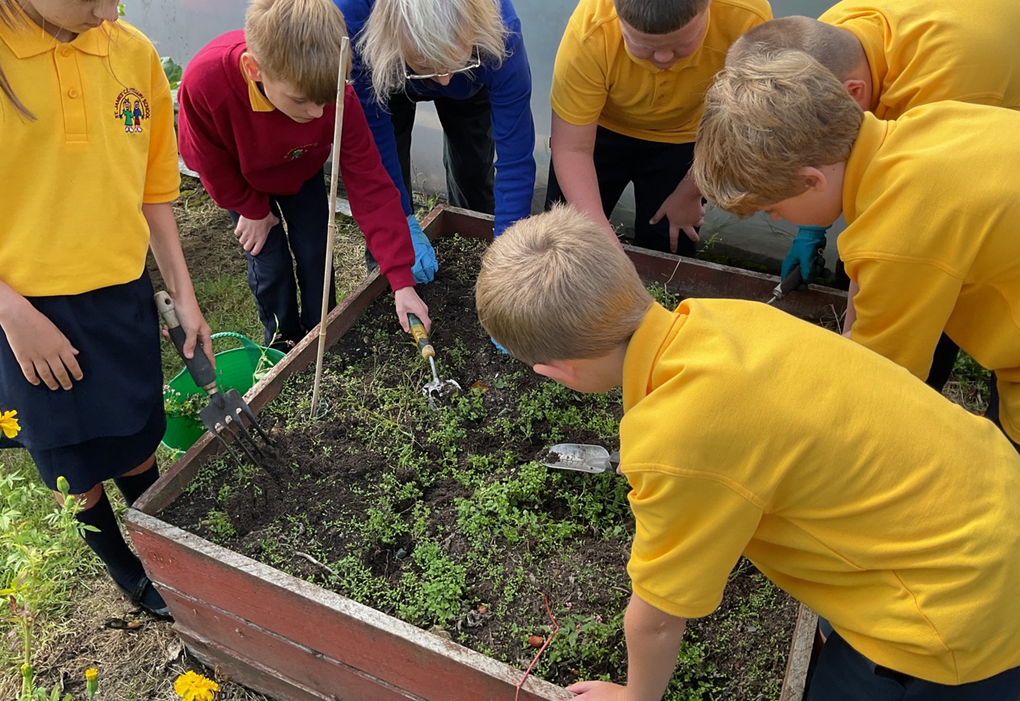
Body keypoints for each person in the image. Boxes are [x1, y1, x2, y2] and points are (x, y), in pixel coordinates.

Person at [475, 205, 1020, 701]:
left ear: (557, 372)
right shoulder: (728, 319)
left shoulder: (674, 437)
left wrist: (635, 699)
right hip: (996, 495)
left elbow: (657, 620)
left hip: (962, 613)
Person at [0, 0, 214, 618]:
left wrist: (184, 292)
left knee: (135, 433)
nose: (110, 8)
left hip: (118, 293)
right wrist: (14, 314)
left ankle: (166, 546)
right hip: (25, 313)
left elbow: (153, 193)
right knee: (70, 466)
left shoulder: (132, 54)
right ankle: (124, 566)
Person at [692, 48, 1020, 451]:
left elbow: (882, 381)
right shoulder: (925, 123)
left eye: (773, 208)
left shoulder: (900, 232)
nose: (778, 220)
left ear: (813, 181)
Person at [177, 0, 431, 352]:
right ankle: (281, 348)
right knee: (271, 262)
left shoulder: (338, 95)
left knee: (315, 251)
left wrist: (401, 280)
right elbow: (205, 158)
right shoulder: (206, 81)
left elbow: (370, 185)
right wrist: (250, 209)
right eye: (301, 101)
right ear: (254, 69)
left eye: (325, 102)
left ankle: (319, 336)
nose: (315, 113)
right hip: (242, 181)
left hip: (301, 172)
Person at [730, 1, 1020, 287]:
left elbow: (911, 218)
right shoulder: (827, 37)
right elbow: (819, 148)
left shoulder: (938, 93)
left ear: (854, 92)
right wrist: (810, 227)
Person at [545, 0, 771, 255]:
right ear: (619, 19)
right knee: (569, 236)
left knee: (671, 238)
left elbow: (742, 122)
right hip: (599, 132)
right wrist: (604, 244)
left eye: (682, 43)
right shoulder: (590, 31)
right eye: (643, 46)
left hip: (690, 141)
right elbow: (572, 148)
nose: (663, 58)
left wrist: (692, 191)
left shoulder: (747, 18)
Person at [335, 0, 536, 238]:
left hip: (471, 76)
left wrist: (508, 242)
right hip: (389, 71)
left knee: (474, 174)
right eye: (428, 66)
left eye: (453, 61)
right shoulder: (353, 17)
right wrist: (400, 222)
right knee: (389, 174)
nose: (444, 81)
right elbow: (372, 136)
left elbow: (515, 158)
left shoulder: (501, 28)